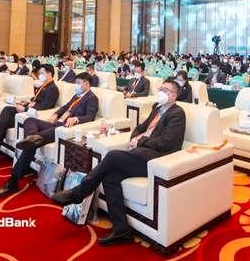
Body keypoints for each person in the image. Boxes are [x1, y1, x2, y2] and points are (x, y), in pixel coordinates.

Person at [50, 79, 185, 245]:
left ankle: (78, 193)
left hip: (156, 159)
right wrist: (135, 137)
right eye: (160, 89)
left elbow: (167, 142)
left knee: (113, 156)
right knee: (110, 177)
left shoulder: (177, 113)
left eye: (165, 90)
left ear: (173, 95)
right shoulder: (157, 108)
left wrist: (141, 141)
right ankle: (122, 230)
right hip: (141, 153)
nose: (160, 92)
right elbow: (140, 127)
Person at [0, 72, 98, 198]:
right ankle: (31, 138)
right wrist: (56, 114)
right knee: (29, 121)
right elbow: (65, 107)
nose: (76, 85)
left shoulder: (91, 98)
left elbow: (90, 116)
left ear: (86, 84)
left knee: (31, 144)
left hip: (63, 129)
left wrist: (77, 119)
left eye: (78, 83)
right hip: (56, 123)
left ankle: (13, 181)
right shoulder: (77, 96)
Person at [0, 64, 60, 168]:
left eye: (42, 73)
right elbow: (34, 101)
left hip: (32, 116)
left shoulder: (52, 89)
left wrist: (25, 109)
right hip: (28, 110)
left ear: (49, 73)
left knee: (6, 116)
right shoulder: (44, 86)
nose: (40, 75)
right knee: (7, 110)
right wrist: (25, 103)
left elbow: (44, 107)